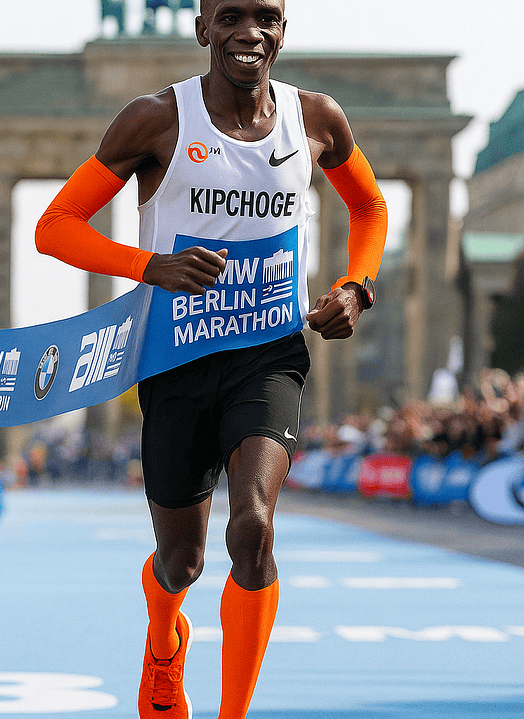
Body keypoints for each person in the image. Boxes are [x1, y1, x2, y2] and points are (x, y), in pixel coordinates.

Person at [35, 0, 387, 716]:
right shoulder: (155, 119)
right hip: (175, 359)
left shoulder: (316, 118)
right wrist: (150, 265)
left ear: (283, 30)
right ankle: (164, 639)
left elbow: (369, 208)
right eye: (230, 17)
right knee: (181, 562)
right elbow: (56, 226)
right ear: (202, 29)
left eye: (266, 17)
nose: (248, 32)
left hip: (268, 354)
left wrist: (356, 285)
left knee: (252, 527)